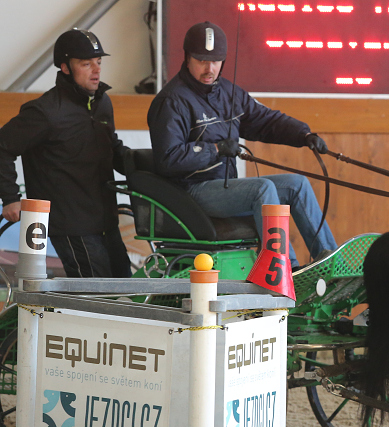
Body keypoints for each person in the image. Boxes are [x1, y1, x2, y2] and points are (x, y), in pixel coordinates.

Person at [147, 21, 336, 268]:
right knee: (261, 188)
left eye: (215, 61)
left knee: (297, 184)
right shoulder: (172, 101)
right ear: (187, 57)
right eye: (202, 60)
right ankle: (286, 269)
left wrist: (302, 135)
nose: (209, 68)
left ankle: (329, 263)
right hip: (192, 190)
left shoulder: (228, 93)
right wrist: (214, 150)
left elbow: (266, 120)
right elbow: (167, 159)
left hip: (226, 187)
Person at [0, 29, 132, 278]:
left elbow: (113, 148)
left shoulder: (103, 103)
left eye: (99, 62)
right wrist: (10, 197)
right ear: (65, 67)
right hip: (71, 224)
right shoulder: (44, 111)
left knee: (124, 283)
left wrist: (149, 167)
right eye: (86, 64)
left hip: (106, 220)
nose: (96, 70)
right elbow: (2, 147)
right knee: (96, 297)